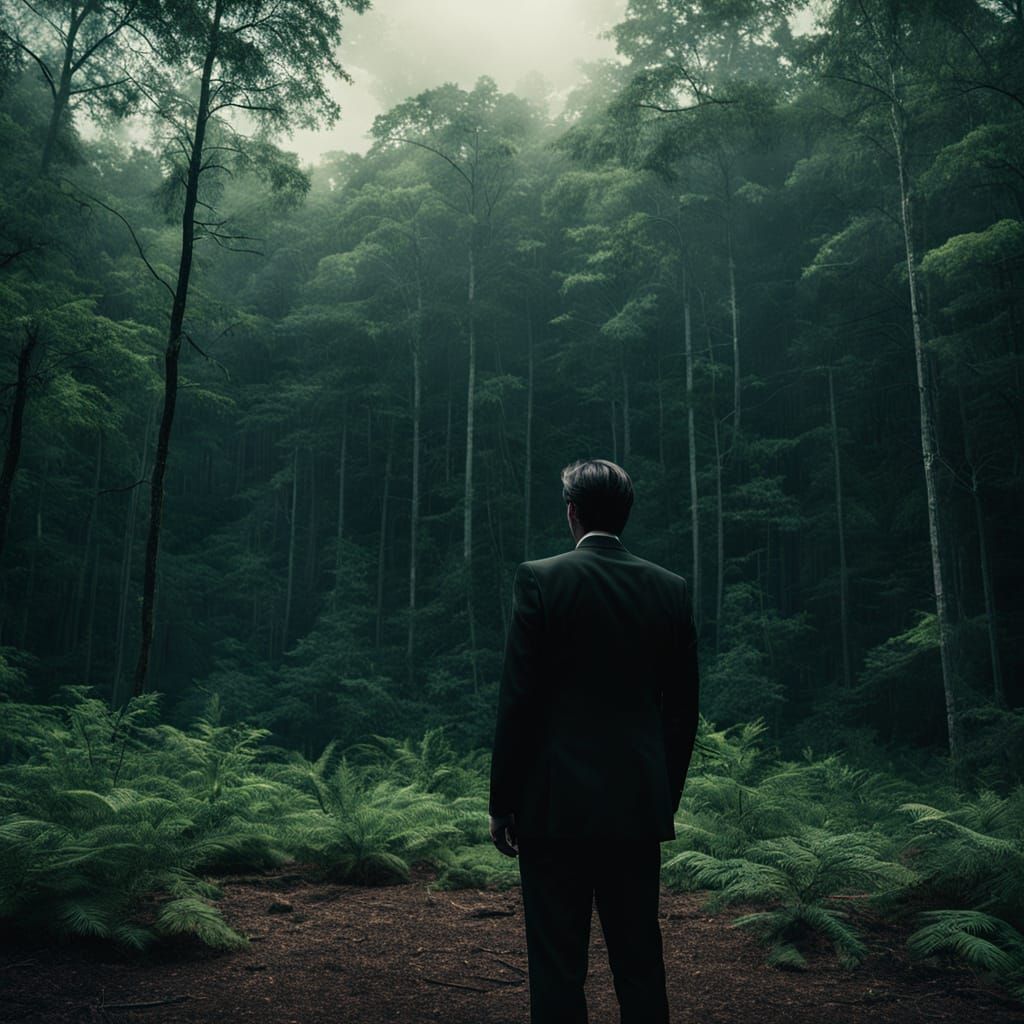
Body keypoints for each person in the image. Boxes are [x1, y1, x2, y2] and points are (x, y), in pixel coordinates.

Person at [488, 457, 700, 1024]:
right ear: (625, 514)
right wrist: (661, 797)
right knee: (640, 961)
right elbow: (682, 714)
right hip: (635, 807)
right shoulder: (670, 590)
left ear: (572, 513)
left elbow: (518, 701)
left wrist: (502, 802)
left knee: (557, 967)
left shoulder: (540, 579)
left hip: (552, 808)